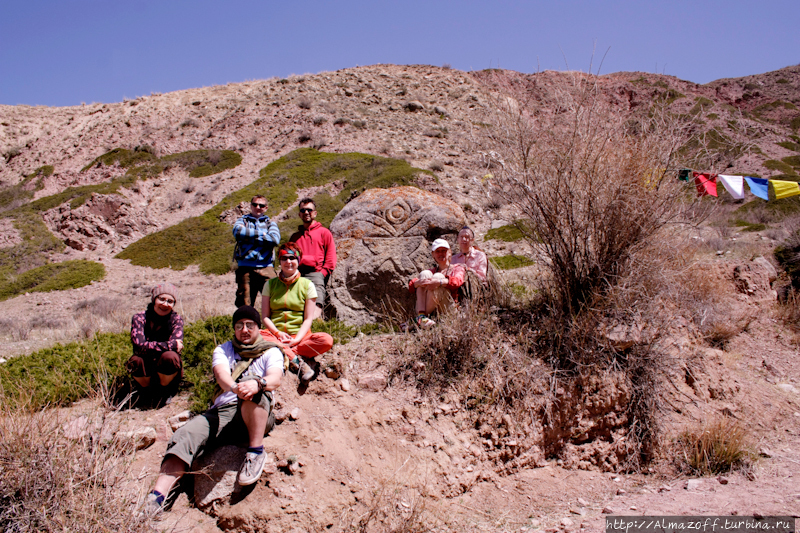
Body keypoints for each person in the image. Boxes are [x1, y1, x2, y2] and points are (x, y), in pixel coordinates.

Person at [143, 306, 284, 516]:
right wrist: (235, 388)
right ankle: (157, 497)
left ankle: (255, 452)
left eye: (250, 325)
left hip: (256, 413)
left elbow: (275, 378)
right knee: (185, 434)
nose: (244, 330)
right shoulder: (223, 350)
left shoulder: (270, 351)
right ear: (234, 328)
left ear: (258, 327)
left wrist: (258, 384)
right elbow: (222, 376)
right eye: (239, 325)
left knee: (253, 386)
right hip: (222, 410)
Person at [260, 242, 334, 388]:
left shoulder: (307, 285)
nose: (288, 262)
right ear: (279, 262)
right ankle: (298, 362)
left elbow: (308, 319)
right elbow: (265, 317)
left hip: (300, 337)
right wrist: (278, 333)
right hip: (275, 335)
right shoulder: (270, 285)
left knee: (326, 340)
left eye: (292, 258)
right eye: (284, 258)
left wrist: (296, 340)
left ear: (298, 261)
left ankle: (283, 351)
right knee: (258, 335)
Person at [128, 283, 184, 402]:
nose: (165, 304)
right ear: (154, 299)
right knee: (135, 360)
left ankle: (164, 391)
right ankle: (146, 392)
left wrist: (150, 347)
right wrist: (171, 345)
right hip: (145, 364)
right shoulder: (139, 318)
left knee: (170, 357)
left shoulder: (176, 319)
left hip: (165, 368)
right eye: (161, 299)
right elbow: (139, 346)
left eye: (170, 301)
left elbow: (175, 350)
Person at [288, 198, 337, 320]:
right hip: (297, 275)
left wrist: (322, 273)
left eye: (309, 210)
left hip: (315, 274)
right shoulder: (295, 237)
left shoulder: (324, 233)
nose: (306, 212)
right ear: (299, 214)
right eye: (303, 210)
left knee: (316, 303)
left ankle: (314, 327)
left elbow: (331, 257)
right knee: (296, 307)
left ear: (315, 213)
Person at [233, 195, 280, 308]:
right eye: (255, 204)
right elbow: (238, 232)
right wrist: (262, 234)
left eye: (261, 205)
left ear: (266, 208)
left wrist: (248, 237)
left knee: (274, 301)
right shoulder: (242, 221)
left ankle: (271, 325)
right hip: (245, 268)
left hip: (266, 267)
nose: (258, 207)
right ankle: (246, 325)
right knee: (244, 304)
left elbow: (274, 239)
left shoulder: (271, 224)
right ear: (251, 206)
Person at [408, 238, 466, 328]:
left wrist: (440, 282)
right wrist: (417, 283)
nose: (441, 253)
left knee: (438, 276)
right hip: (434, 310)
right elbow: (411, 286)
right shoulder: (432, 271)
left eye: (444, 251)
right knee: (424, 274)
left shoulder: (457, 268)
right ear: (433, 254)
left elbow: (457, 281)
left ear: (449, 252)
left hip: (449, 307)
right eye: (437, 251)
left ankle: (419, 318)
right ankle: (422, 317)